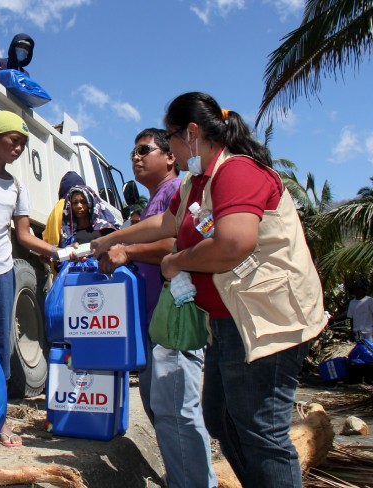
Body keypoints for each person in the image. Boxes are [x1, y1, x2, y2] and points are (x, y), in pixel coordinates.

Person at [91, 92, 326, 487]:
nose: (173, 151)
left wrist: (175, 262)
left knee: (261, 432)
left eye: (172, 139)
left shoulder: (236, 172)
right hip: (225, 322)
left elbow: (234, 243)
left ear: (193, 133)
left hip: (264, 322)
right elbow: (164, 225)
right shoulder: (197, 183)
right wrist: (108, 240)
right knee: (220, 417)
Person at [97, 128, 216, 487]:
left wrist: (126, 251)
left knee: (177, 413)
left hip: (174, 322)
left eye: (144, 149)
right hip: (156, 324)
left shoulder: (173, 191)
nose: (135, 156)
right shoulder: (156, 198)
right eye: (133, 150)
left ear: (169, 157)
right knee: (162, 410)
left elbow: (172, 243)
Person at [0, 110, 62, 447]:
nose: (19, 148)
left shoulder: (16, 186)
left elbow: (23, 235)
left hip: (0, 271)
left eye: (23, 143)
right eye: (13, 140)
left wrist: (56, 251)